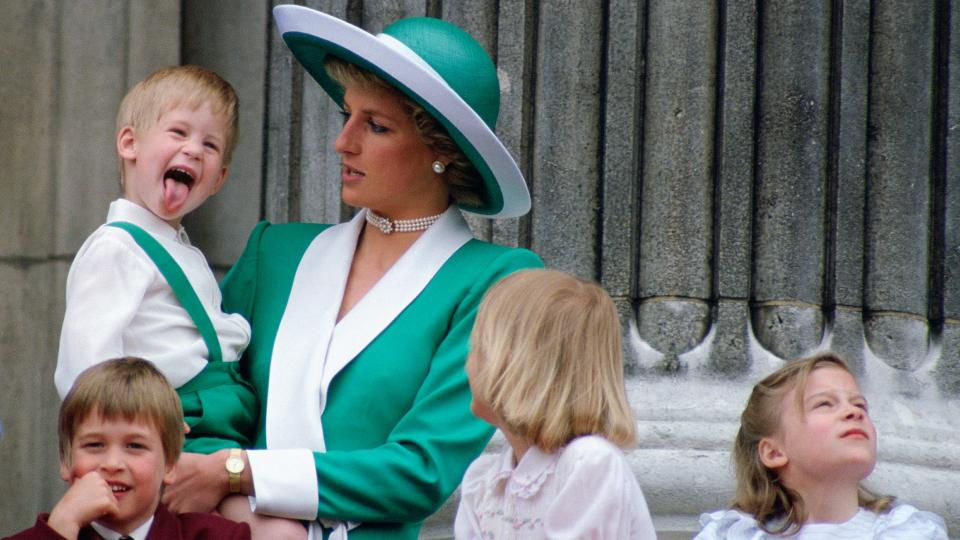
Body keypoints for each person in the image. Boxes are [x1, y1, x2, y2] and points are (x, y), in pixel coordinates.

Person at [161, 5, 542, 540]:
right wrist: (226, 502)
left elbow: (421, 470)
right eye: (347, 116)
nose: (344, 142)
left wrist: (242, 473)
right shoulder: (276, 252)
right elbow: (197, 400)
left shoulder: (497, 280)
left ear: (443, 151)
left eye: (377, 125)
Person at [55, 64, 257, 455]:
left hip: (213, 420)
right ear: (129, 143)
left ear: (219, 179)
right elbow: (84, 364)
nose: (194, 149)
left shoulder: (179, 249)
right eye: (179, 132)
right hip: (170, 428)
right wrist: (125, 437)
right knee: (263, 517)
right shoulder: (117, 248)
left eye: (210, 145)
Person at [454, 269, 657, 539]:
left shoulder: (589, 463)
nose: (466, 365)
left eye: (477, 348)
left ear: (514, 364)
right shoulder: (484, 483)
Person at [695, 353, 948, 539]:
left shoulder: (909, 532)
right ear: (773, 452)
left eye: (860, 405)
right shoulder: (733, 534)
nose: (852, 412)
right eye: (825, 404)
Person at [3, 357, 250, 540]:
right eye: (94, 445)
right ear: (65, 461)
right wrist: (60, 528)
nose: (112, 463)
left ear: (171, 464)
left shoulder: (219, 537)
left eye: (135, 445)